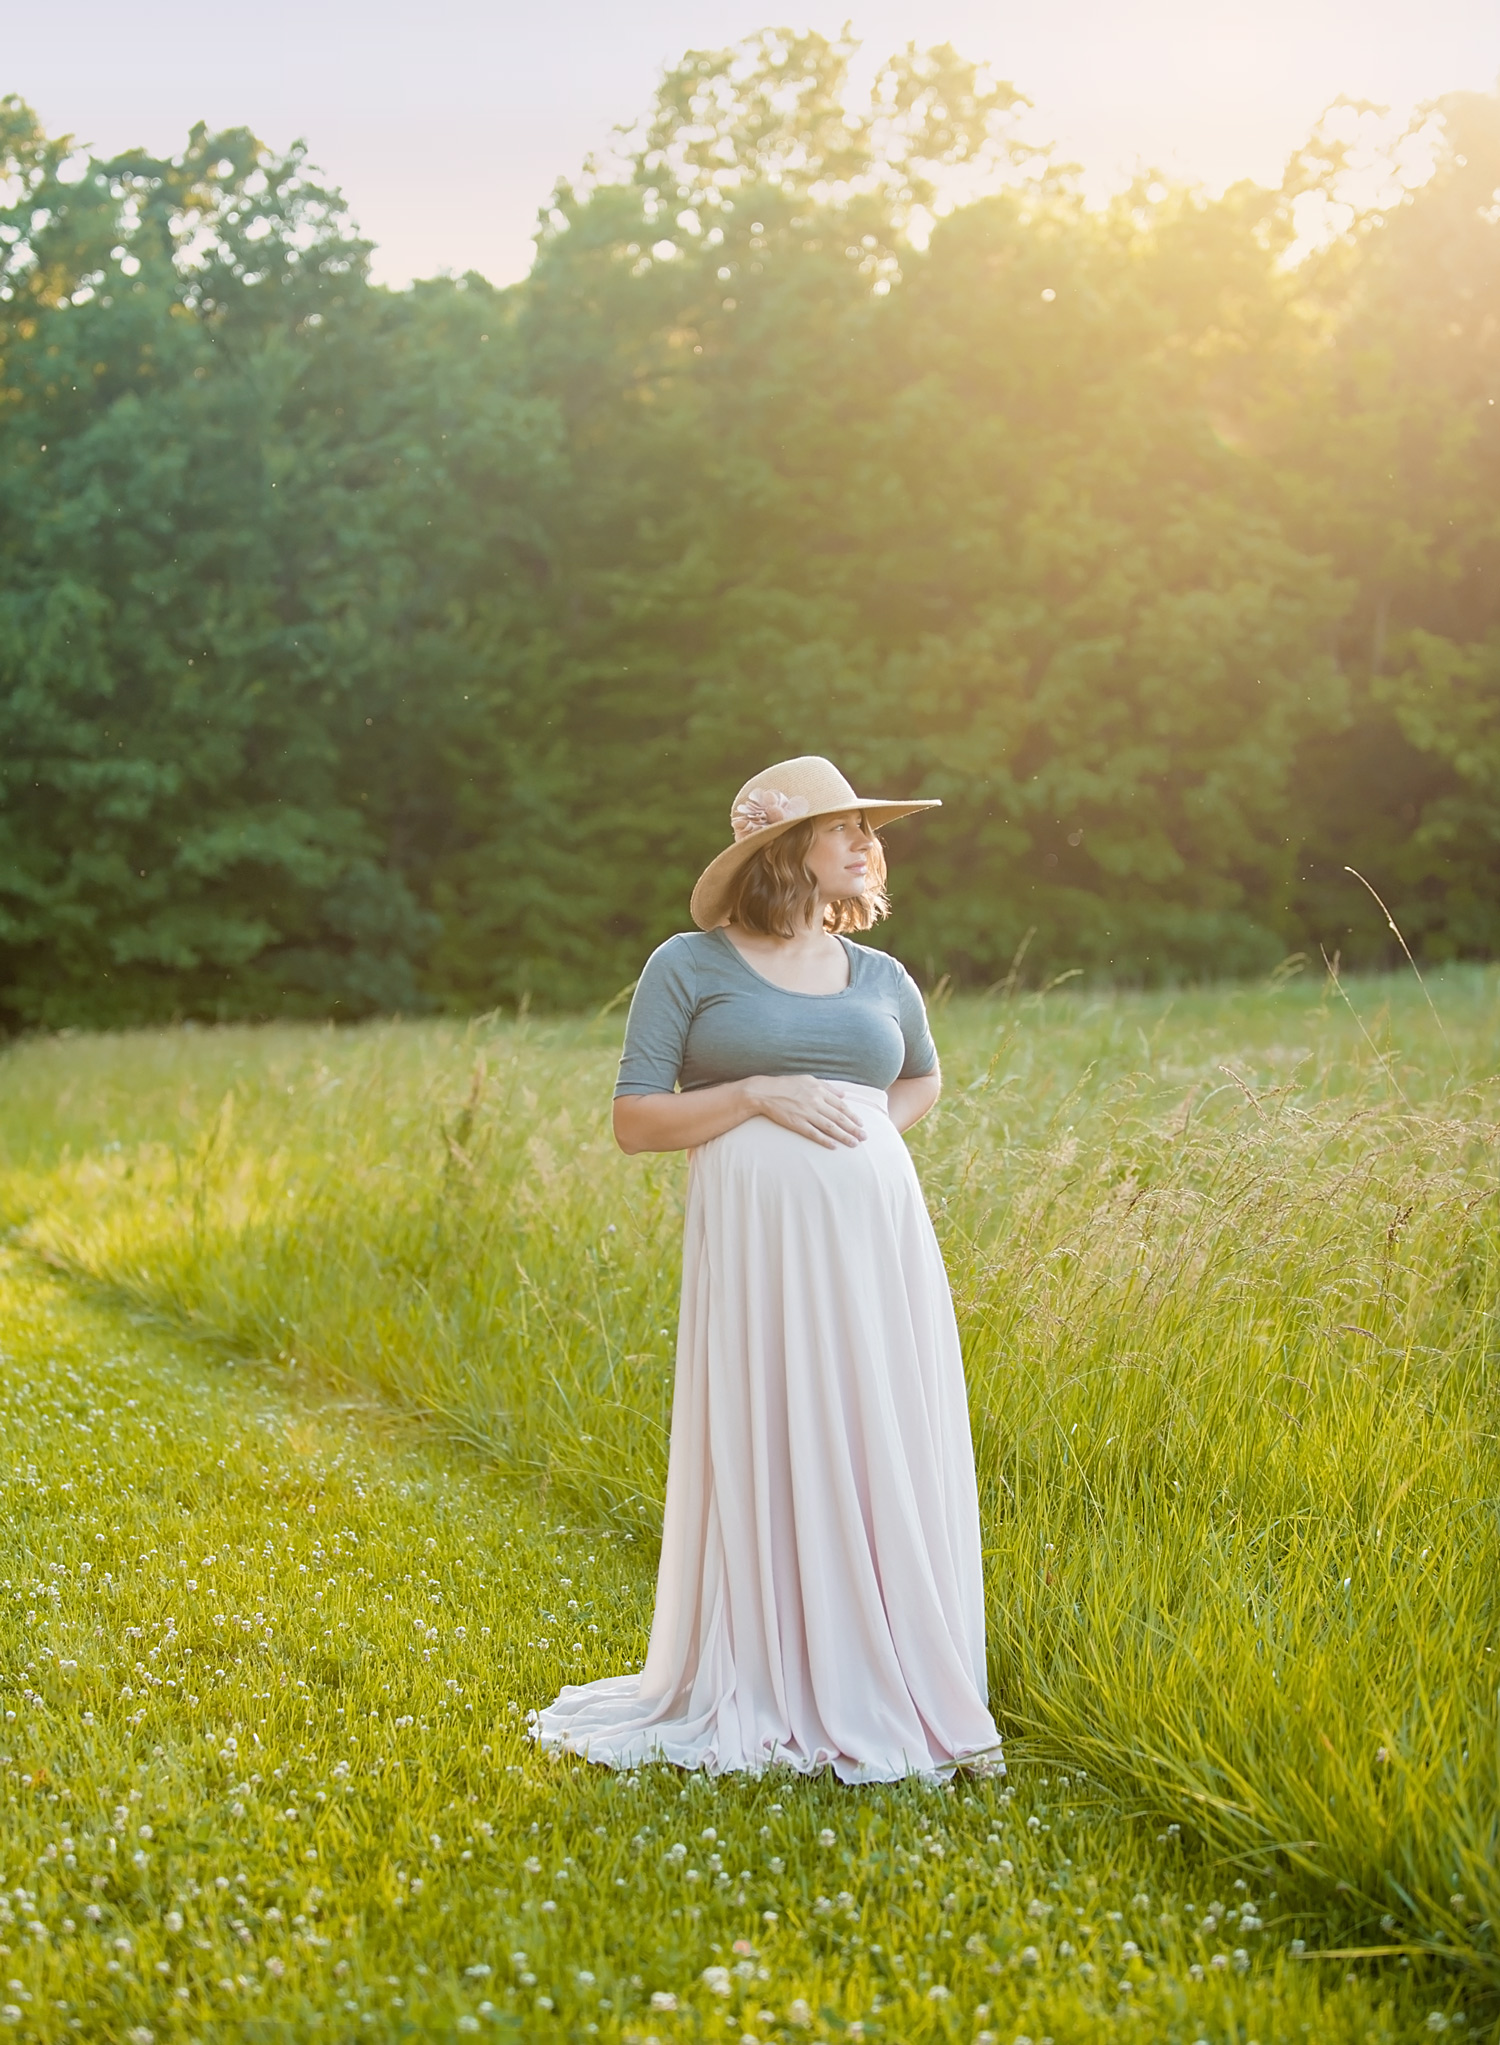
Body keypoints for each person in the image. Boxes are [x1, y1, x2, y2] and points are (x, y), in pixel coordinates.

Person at [533, 755, 1002, 1783]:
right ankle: (780, 1669)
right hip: (758, 1246)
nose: (867, 842)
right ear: (784, 848)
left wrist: (869, 1136)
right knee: (782, 1424)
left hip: (877, 1243)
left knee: (874, 1423)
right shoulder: (688, 965)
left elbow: (922, 1078)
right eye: (843, 826)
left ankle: (887, 1664)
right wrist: (758, 1093)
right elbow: (634, 1120)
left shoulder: (881, 977)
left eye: (870, 830)